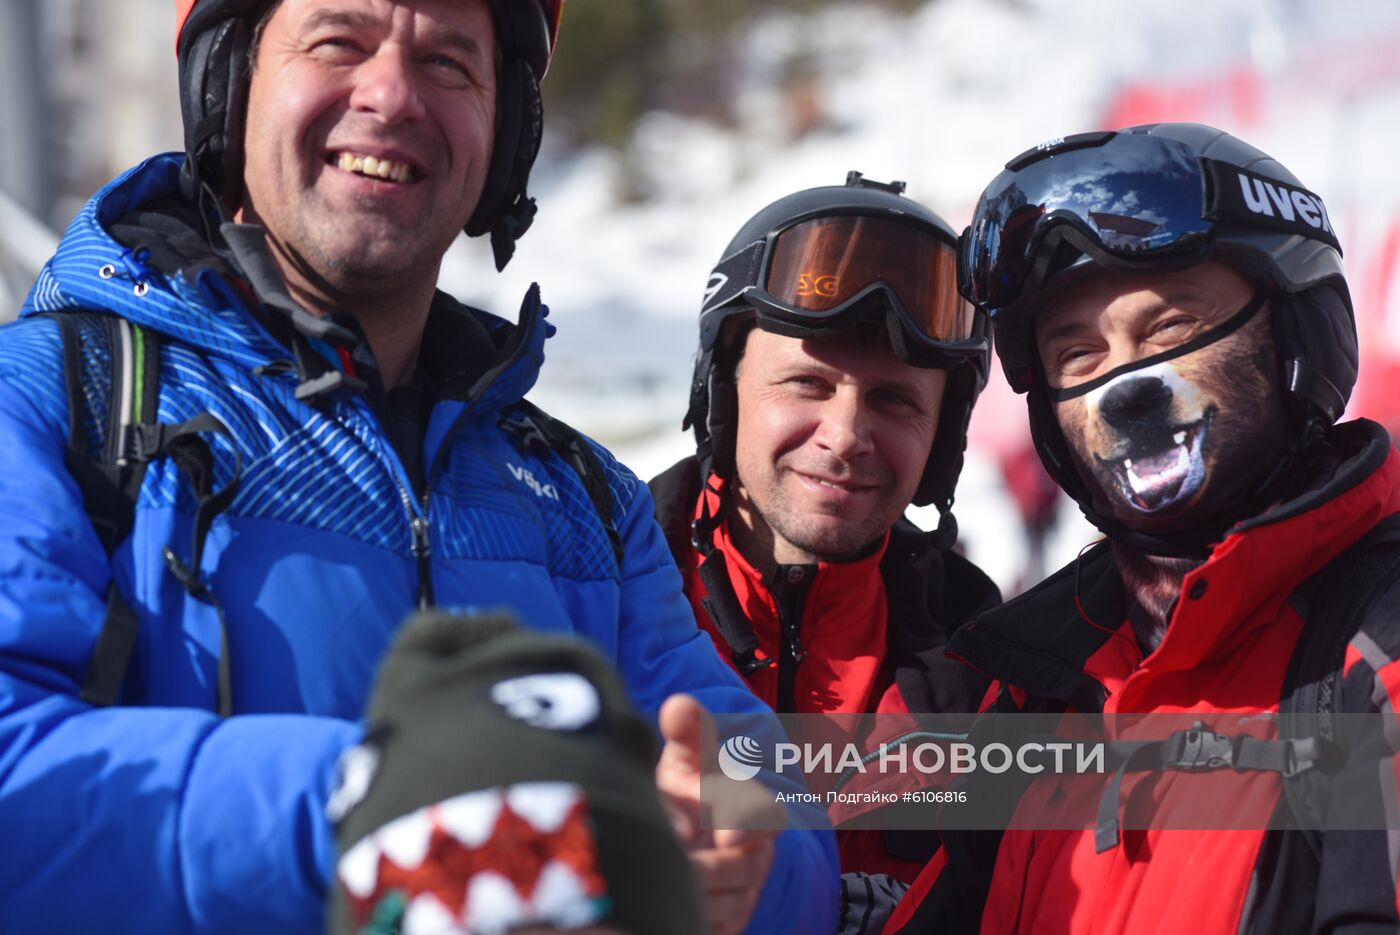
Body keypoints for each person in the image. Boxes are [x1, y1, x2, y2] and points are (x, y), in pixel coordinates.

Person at [0, 1, 837, 933]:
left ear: (505, 130)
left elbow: (778, 806)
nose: (393, 93)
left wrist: (734, 856)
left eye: (448, 62)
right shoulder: (47, 404)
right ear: (227, 82)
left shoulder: (580, 497)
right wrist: (374, 806)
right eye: (338, 41)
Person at [885, 123, 1400, 934]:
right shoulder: (1036, 683)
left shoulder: (1374, 656)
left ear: (1296, 333)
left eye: (1170, 329)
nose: (1125, 386)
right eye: (1077, 357)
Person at [648, 174, 1000, 926]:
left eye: (894, 399)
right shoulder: (604, 599)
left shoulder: (990, 673)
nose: (846, 436)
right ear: (725, 389)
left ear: (942, 437)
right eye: (806, 382)